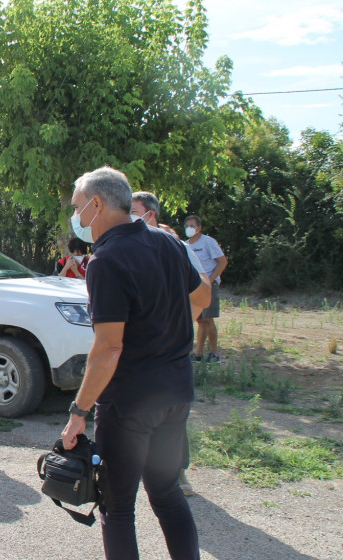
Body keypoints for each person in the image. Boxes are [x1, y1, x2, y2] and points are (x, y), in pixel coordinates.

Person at [60, 167, 211, 560]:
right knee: (167, 494)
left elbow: (109, 348)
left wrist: (78, 413)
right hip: (176, 392)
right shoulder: (168, 242)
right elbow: (202, 297)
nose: (75, 216)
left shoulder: (106, 260)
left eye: (77, 207)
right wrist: (169, 331)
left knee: (117, 505)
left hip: (129, 404)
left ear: (96, 204)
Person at [131, 191, 212, 498]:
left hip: (167, 348)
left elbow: (203, 292)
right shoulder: (128, 246)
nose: (127, 215)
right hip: (136, 346)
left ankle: (175, 472)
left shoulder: (175, 246)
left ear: (150, 214)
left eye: (133, 210)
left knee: (169, 410)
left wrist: (177, 326)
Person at [185, 215, 228, 363]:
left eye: (192, 226)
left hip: (209, 285)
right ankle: (198, 353)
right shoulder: (186, 245)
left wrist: (210, 281)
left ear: (199, 228)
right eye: (187, 226)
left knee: (208, 319)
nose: (189, 229)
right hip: (194, 287)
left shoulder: (208, 242)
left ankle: (215, 353)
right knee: (200, 320)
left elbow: (222, 262)